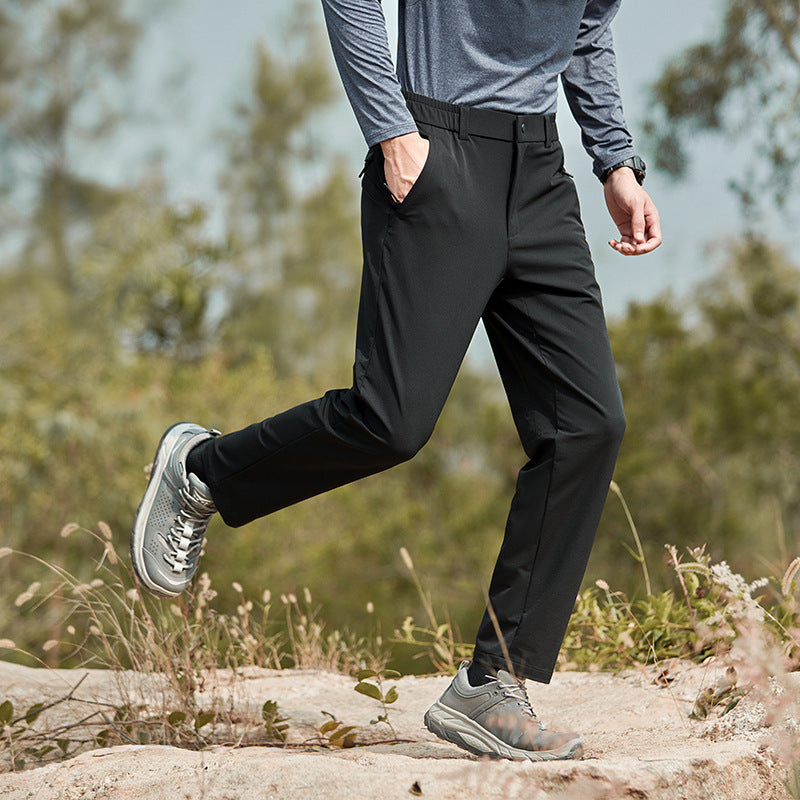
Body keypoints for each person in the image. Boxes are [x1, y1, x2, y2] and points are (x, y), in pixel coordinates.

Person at [130, 0, 661, 762]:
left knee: (588, 426)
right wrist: (390, 129)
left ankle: (493, 681)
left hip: (540, 172)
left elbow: (585, 30)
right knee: (391, 420)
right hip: (435, 147)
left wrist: (613, 160)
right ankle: (202, 469)